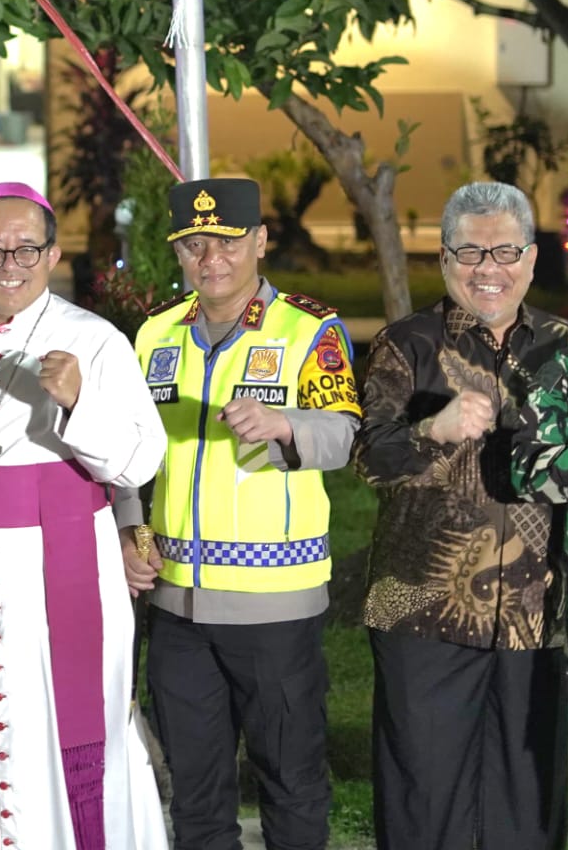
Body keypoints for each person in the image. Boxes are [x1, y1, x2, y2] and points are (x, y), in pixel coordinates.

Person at [0, 182, 167, 850]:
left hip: (58, 567)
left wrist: (79, 400)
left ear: (53, 255)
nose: (9, 264)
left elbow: (138, 460)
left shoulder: (94, 339)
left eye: (26, 248)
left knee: (57, 728)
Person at [117, 177, 361, 850]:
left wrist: (284, 424)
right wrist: (134, 536)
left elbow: (343, 435)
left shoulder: (310, 329)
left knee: (292, 783)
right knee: (195, 793)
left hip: (275, 610)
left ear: (259, 241)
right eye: (195, 246)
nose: (211, 260)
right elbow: (129, 462)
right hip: (177, 613)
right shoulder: (154, 336)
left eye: (226, 243)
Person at [354, 181, 567, 850]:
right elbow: (368, 457)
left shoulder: (562, 349)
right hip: (425, 614)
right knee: (424, 800)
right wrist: (432, 430)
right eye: (470, 253)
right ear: (445, 260)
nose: (488, 270)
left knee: (527, 806)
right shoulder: (406, 345)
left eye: (504, 251)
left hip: (539, 616)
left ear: (531, 258)